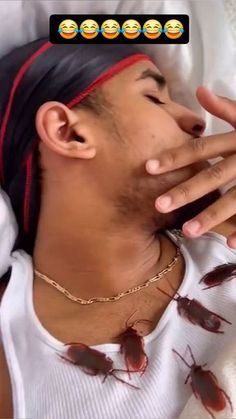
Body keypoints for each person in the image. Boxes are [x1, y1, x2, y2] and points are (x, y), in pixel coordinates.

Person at [0, 38, 236, 419]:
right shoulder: (10, 349)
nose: (197, 120)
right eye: (154, 98)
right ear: (68, 132)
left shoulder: (228, 237)